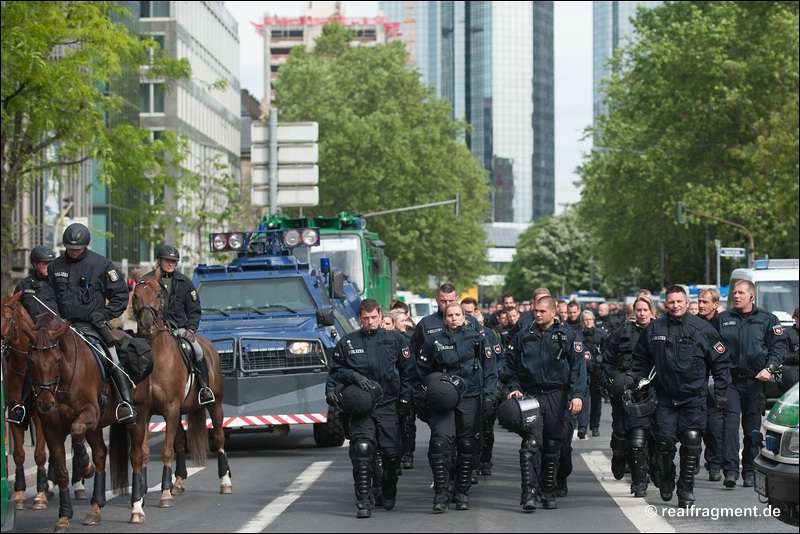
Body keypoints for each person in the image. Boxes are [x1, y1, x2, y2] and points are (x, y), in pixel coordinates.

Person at [631, 285, 731, 508]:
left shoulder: (702, 329)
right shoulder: (654, 328)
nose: (675, 306)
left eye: (679, 301)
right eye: (671, 302)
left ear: (687, 303)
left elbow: (721, 362)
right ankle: (666, 477)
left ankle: (686, 488)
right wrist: (639, 383)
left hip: (694, 397)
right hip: (665, 397)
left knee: (692, 440)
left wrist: (721, 392)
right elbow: (639, 359)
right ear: (665, 304)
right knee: (664, 443)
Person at [325, 299, 414, 519]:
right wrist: (351, 376)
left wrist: (405, 400)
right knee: (362, 449)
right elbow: (336, 372)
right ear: (359, 318)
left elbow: (408, 373)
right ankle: (364, 501)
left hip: (388, 404)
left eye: (374, 317)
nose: (370, 322)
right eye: (365, 318)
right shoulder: (348, 342)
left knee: (392, 455)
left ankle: (387, 489)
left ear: (380, 315)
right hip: (361, 407)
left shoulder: (396, 340)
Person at [39, 223, 136, 424]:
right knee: (38, 356)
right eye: (70, 248)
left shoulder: (101, 265)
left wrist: (104, 314)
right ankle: (24, 406)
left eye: (77, 249)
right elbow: (47, 296)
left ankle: (126, 403)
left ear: (85, 246)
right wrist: (55, 319)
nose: (73, 252)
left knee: (113, 355)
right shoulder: (56, 266)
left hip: (93, 326)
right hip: (62, 327)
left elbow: (119, 295)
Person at [504, 295, 586, 510]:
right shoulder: (523, 336)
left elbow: (579, 368)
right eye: (535, 310)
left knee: (552, 445)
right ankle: (528, 494)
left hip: (557, 396)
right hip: (530, 396)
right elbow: (509, 366)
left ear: (553, 312)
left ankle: (548, 491)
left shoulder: (568, 336)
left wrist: (577, 395)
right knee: (530, 444)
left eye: (542, 311)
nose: (538, 314)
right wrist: (513, 388)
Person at [415, 302, 497, 512]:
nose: (453, 318)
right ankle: (441, 494)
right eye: (450, 315)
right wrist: (423, 397)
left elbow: (490, 371)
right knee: (439, 444)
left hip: (469, 397)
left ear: (464, 317)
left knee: (467, 446)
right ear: (445, 318)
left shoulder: (477, 339)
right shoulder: (434, 341)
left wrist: (488, 397)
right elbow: (421, 372)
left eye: (457, 315)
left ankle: (462, 492)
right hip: (443, 399)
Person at [712, 280, 788, 489]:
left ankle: (749, 470)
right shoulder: (722, 319)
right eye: (734, 293)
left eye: (741, 293)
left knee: (752, 429)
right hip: (730, 381)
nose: (736, 296)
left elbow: (779, 347)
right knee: (729, 426)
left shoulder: (767, 319)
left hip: (755, 381)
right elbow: (712, 347)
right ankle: (730, 471)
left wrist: (770, 368)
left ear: (751, 296)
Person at [602, 295, 656, 497]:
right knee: (622, 435)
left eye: (645, 310)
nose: (642, 314)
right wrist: (615, 381)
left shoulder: (659, 331)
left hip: (649, 393)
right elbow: (607, 361)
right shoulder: (622, 332)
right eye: (639, 310)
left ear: (651, 311)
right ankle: (617, 455)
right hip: (624, 392)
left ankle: (639, 482)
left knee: (640, 439)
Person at [146, 244, 213, 405]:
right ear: (159, 260)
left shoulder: (185, 282)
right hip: (154, 330)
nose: (170, 264)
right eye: (167, 260)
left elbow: (194, 309)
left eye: (173, 261)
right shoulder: (147, 281)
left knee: (197, 350)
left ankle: (204, 388)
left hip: (179, 329)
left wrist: (191, 329)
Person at [8, 245, 57, 425]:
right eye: (45, 264)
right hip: (32, 339)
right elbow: (15, 312)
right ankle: (21, 408)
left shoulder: (58, 283)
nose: (48, 267)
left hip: (54, 337)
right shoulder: (23, 286)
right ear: (35, 264)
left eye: (50, 263)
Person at [461, 297, 504, 478]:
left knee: (486, 429)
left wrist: (494, 385)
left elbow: (498, 360)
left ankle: (485, 460)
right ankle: (470, 466)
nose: (467, 317)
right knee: (469, 433)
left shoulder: (488, 335)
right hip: (467, 392)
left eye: (469, 313)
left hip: (486, 388)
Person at [697, 287, 724, 482]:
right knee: (694, 425)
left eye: (705, 302)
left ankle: (714, 464)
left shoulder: (722, 324)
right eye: (699, 301)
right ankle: (693, 459)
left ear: (715, 304)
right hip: (695, 381)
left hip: (714, 381)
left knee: (714, 427)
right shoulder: (692, 323)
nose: (700, 305)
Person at [578, 309, 606, 439]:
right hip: (583, 372)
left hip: (597, 371)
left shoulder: (601, 334)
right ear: (582, 321)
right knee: (583, 399)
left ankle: (595, 426)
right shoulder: (578, 335)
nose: (588, 322)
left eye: (590, 319)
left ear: (593, 320)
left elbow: (607, 351)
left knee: (596, 401)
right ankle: (582, 426)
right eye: (585, 320)